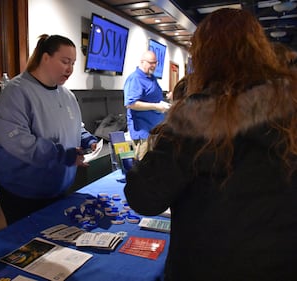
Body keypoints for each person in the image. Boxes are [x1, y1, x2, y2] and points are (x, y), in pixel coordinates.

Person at [124, 8, 297, 281]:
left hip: (208, 266)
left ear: (205, 56)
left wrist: (141, 160)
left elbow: (144, 196)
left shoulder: (197, 116)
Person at [0, 34, 97, 225]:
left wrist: (88, 139)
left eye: (73, 63)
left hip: (56, 187)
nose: (70, 69)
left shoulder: (67, 95)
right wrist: (64, 156)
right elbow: (20, 143)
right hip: (22, 190)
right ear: (45, 58)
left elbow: (74, 126)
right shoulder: (16, 91)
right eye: (65, 61)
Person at [123, 50, 169, 160]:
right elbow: (131, 104)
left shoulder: (152, 78)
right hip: (143, 134)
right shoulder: (135, 78)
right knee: (142, 167)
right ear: (142, 62)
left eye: (155, 63)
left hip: (155, 132)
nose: (153, 66)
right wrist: (156, 107)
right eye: (150, 63)